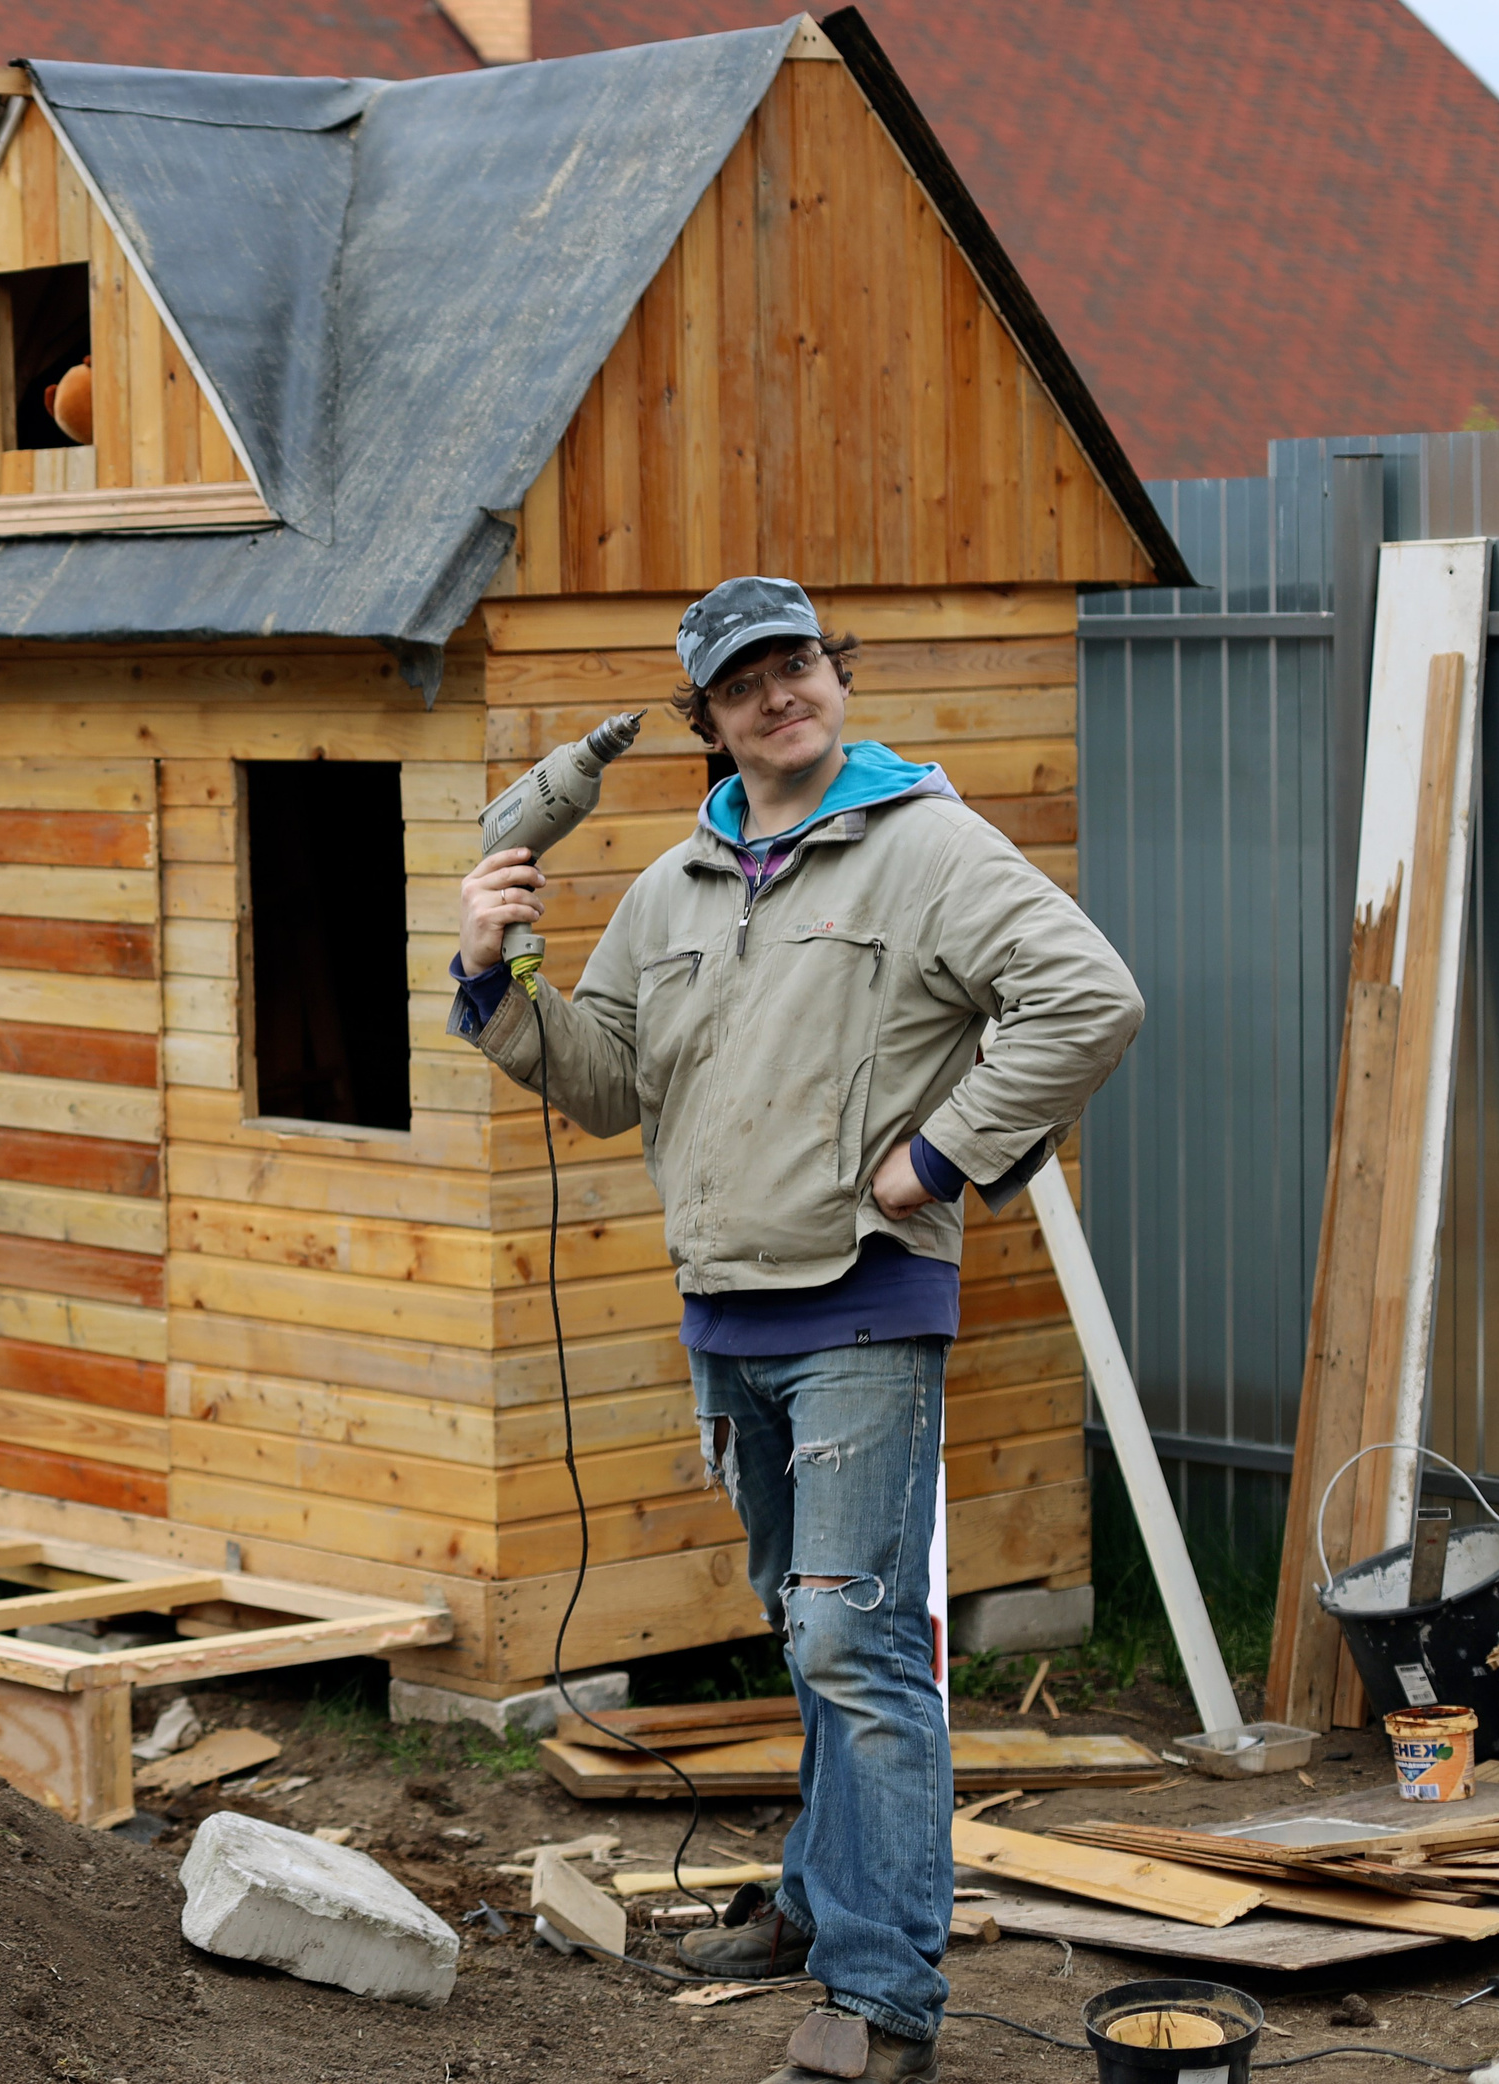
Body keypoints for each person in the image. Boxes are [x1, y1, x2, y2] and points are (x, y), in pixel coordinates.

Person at [451, 575, 1142, 2084]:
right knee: (813, 1632)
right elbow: (610, 1080)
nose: (783, 692)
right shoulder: (675, 887)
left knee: (858, 1639)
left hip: (863, 1307)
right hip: (729, 1320)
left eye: (802, 663)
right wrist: (496, 975)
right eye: (747, 679)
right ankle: (824, 1900)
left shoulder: (927, 847)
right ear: (707, 718)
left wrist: (943, 1155)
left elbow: (1087, 997)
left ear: (838, 673)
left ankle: (884, 2003)